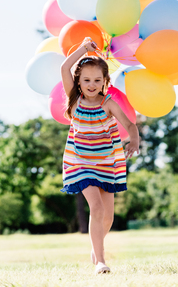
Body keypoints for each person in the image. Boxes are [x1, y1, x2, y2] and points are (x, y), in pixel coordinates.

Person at [60, 37, 139, 274]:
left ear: (105, 81)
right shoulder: (75, 100)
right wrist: (84, 49)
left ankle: (96, 247)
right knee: (96, 208)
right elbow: (64, 67)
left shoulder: (108, 103)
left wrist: (134, 139)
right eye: (86, 80)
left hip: (107, 162)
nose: (91, 84)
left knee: (108, 217)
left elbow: (130, 124)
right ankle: (101, 261)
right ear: (78, 81)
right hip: (81, 163)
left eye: (97, 80)